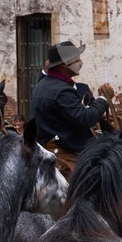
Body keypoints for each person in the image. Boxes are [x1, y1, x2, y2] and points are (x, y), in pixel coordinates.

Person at [30, 41, 110, 175]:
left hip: (51, 146)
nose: (80, 62)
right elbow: (85, 118)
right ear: (64, 65)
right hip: (65, 151)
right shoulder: (60, 90)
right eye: (76, 59)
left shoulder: (45, 84)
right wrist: (103, 99)